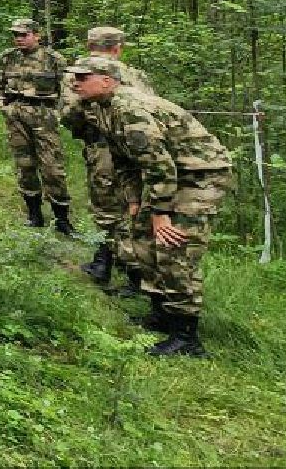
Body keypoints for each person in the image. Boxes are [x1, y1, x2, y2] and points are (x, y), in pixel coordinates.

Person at [65, 56, 231, 357]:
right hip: (166, 176)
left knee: (173, 246)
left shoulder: (131, 109)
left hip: (200, 175)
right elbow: (124, 160)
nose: (76, 83)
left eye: (83, 77)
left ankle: (186, 336)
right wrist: (133, 200)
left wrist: (161, 214)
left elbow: (160, 165)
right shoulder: (101, 108)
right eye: (75, 77)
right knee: (141, 240)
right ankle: (161, 314)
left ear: (107, 80)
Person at [60, 26, 154, 292]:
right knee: (132, 204)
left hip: (101, 147)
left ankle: (110, 264)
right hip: (135, 146)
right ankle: (129, 268)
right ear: (117, 49)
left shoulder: (76, 75)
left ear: (89, 46)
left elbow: (68, 115)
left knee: (105, 207)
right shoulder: (136, 75)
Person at [0, 18, 73, 233]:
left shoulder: (53, 59)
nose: (19, 38)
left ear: (36, 35)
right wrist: (3, 107)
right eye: (16, 35)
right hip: (16, 116)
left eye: (24, 34)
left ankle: (62, 220)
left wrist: (59, 114)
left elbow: (67, 91)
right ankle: (34, 215)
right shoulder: (8, 57)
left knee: (52, 168)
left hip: (44, 116)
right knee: (25, 166)